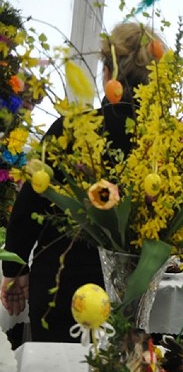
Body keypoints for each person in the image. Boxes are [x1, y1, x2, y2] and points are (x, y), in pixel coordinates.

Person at [1, 22, 163, 342]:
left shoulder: (70, 129)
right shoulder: (163, 146)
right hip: (128, 297)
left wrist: (15, 272)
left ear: (106, 72)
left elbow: (28, 207)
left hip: (61, 289)